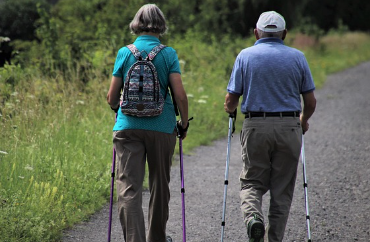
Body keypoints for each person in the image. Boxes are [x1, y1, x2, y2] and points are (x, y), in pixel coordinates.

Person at [224, 11, 316, 242]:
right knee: (282, 190)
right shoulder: (298, 57)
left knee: (252, 182)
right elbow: (311, 101)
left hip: (256, 125)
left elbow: (231, 99)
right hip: (289, 126)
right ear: (284, 34)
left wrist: (230, 109)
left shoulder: (245, 56)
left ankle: (254, 217)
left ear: (256, 33)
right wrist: (303, 120)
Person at [107, 4, 189, 242]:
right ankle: (157, 239)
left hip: (128, 128)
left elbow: (112, 97)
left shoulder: (125, 52)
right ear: (161, 25)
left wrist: (118, 109)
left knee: (129, 188)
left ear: (136, 24)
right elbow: (180, 95)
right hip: (162, 127)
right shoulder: (168, 53)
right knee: (159, 186)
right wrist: (183, 123)